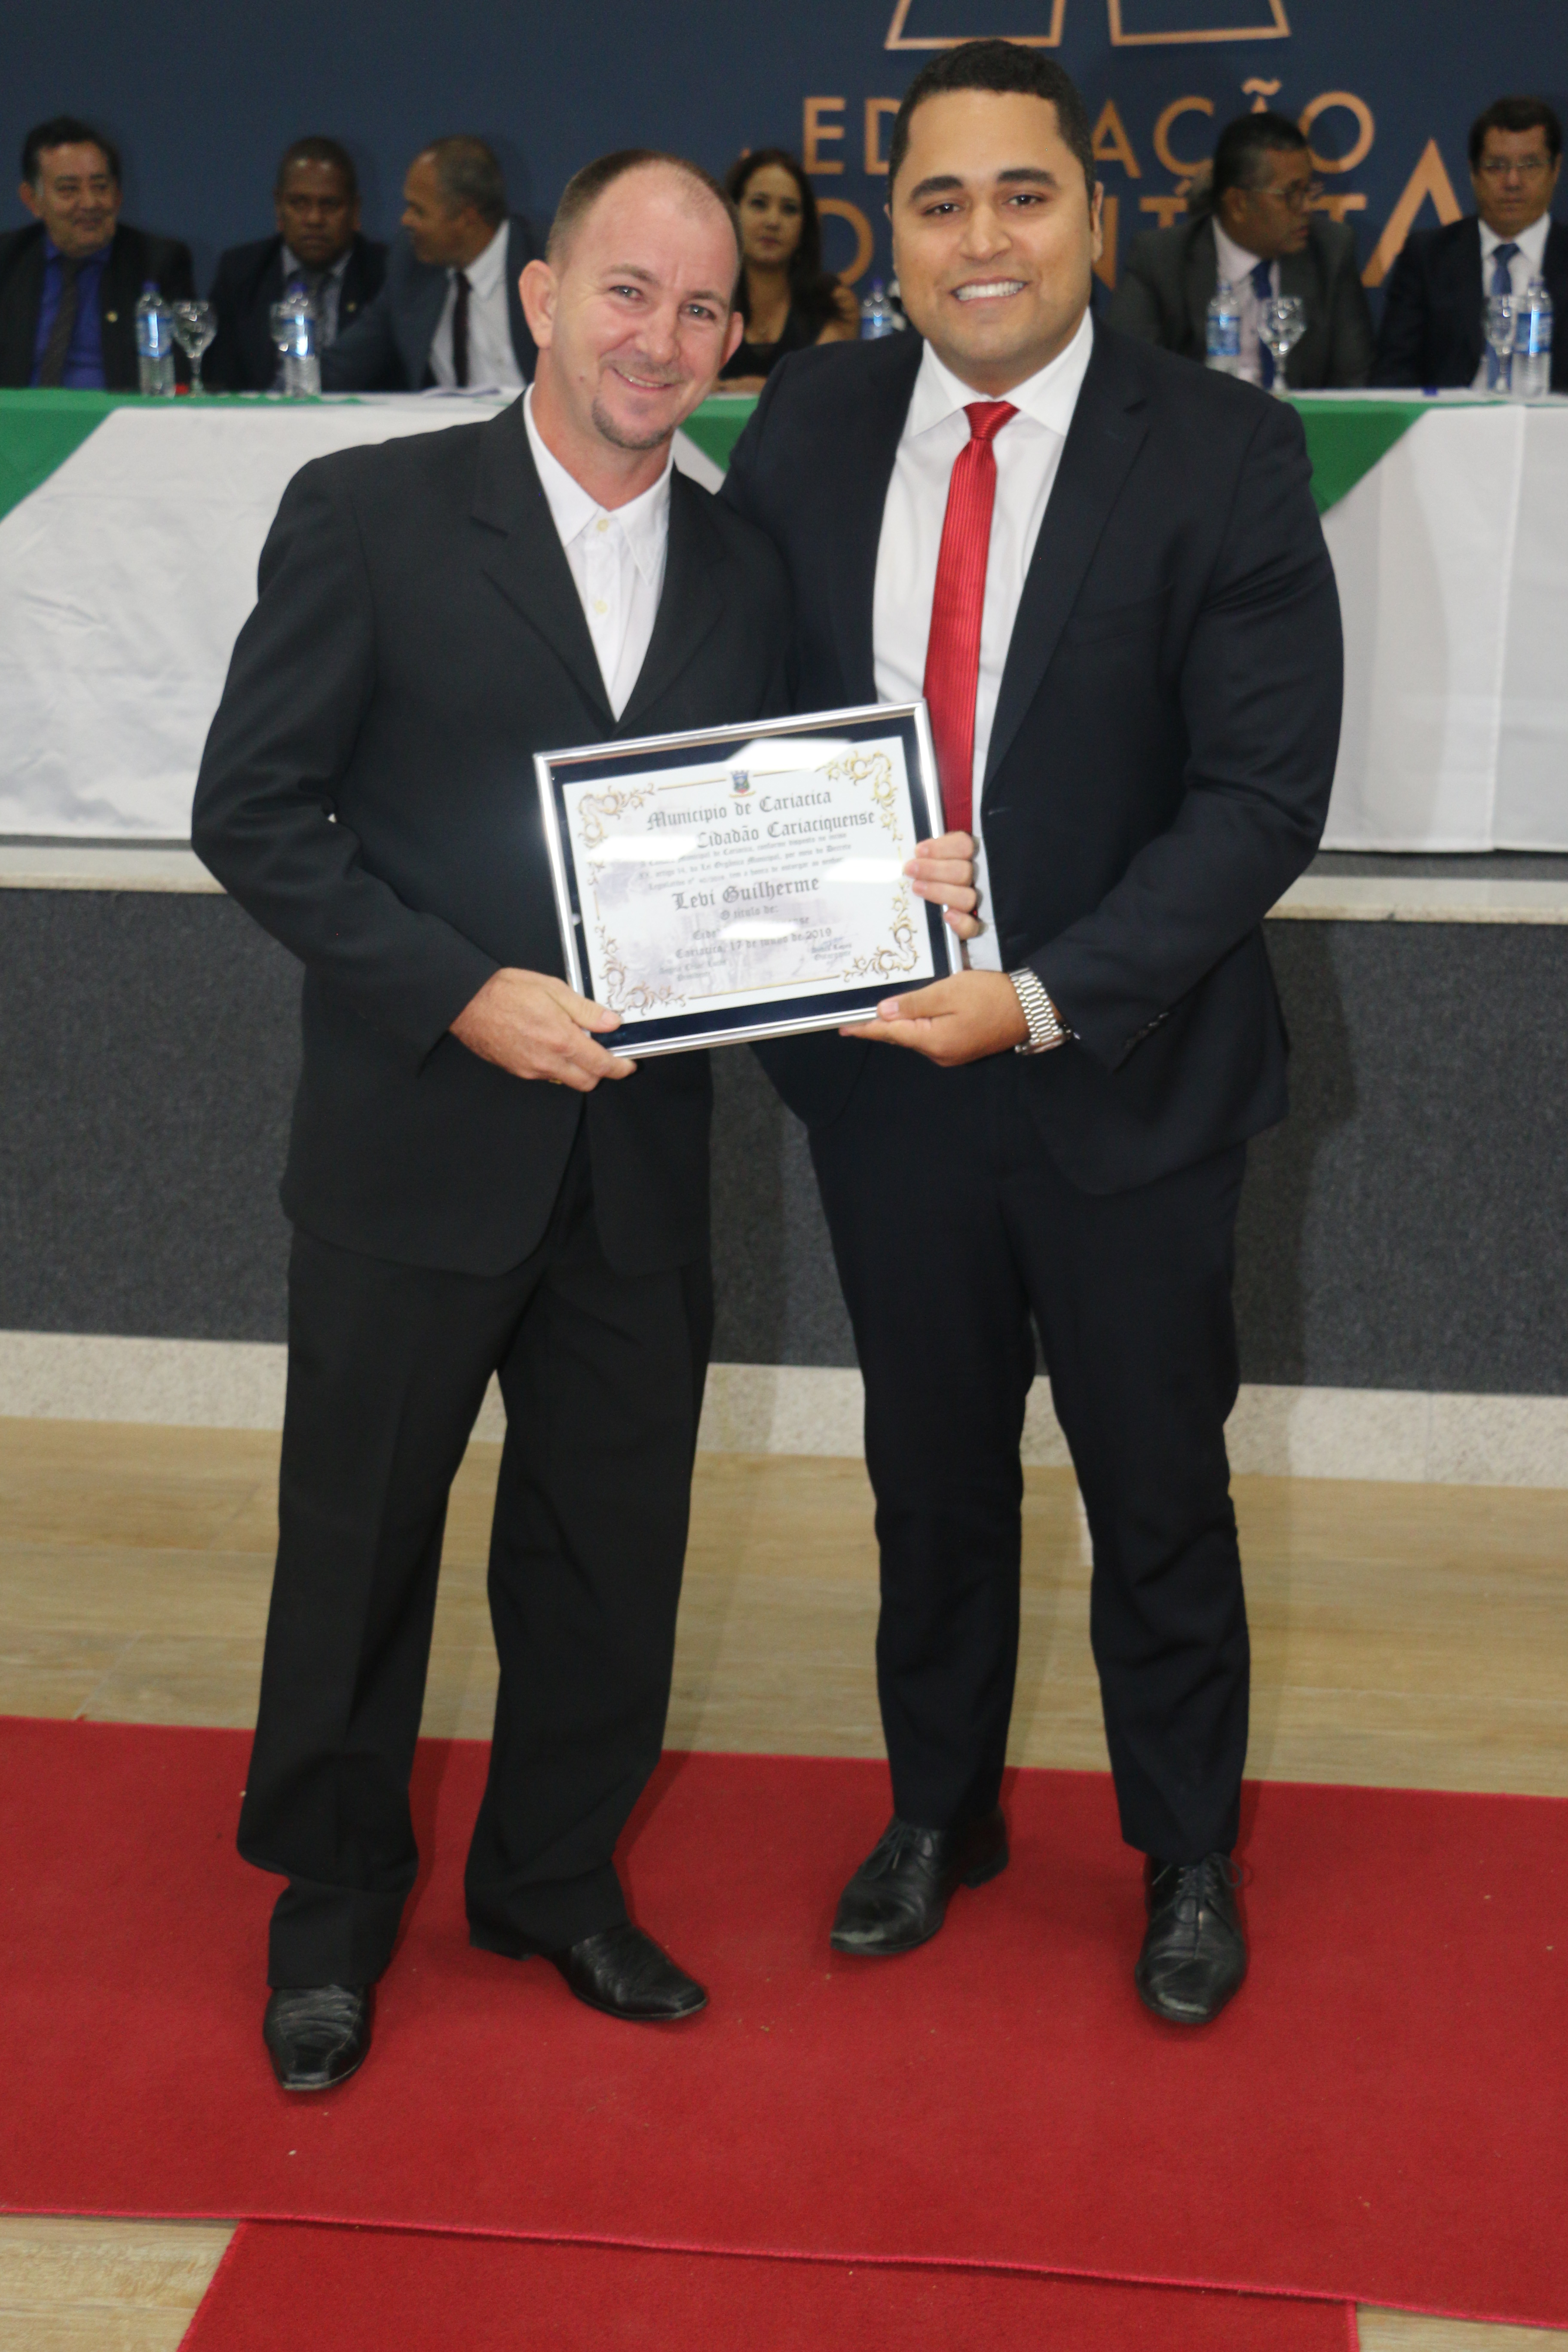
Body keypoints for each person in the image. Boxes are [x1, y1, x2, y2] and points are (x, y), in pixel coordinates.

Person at [724, 39, 1341, 2026]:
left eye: (1021, 193)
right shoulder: (810, 421)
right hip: (884, 1072)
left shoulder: (1225, 449)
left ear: (1094, 212)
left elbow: (1257, 800)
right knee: (927, 1477)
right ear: (888, 230)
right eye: (937, 200)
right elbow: (737, 724)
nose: (979, 237)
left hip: (1124, 1072)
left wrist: (1045, 991)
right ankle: (937, 1812)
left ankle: (1182, 1851)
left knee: (1153, 1485)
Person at [193, 149, 794, 2092]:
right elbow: (251, 810)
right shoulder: (365, 513)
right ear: (539, 297)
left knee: (608, 1554)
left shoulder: (747, 563)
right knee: (357, 1546)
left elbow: (770, 832)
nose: (660, 339)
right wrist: (459, 987)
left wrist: (894, 888)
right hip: (413, 1140)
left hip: (638, 1159)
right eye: (626, 291)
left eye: (699, 309)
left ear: (733, 337)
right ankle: (329, 1905)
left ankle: (550, 1878)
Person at [1107, 110, 1373, 390]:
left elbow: (1354, 383)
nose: (1306, 207)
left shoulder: (1331, 253)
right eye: (1291, 194)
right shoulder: (1161, 259)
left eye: (1308, 190)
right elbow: (1124, 371)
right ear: (1238, 204)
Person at [1372, 97, 1566, 392]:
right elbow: (1393, 376)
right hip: (1449, 419)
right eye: (1496, 166)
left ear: (1556, 170)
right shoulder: (1428, 257)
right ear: (1474, 173)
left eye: (1530, 165)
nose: (1513, 182)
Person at [322, 134, 539, 392]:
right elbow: (346, 363)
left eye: (418, 210)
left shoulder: (549, 263)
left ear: (467, 218)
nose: (405, 220)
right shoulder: (411, 265)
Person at [0, 116, 193, 389]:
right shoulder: (7, 261)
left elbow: (180, 375)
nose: (90, 203)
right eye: (69, 190)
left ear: (118, 196)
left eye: (101, 187)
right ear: (32, 200)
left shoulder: (158, 263)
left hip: (118, 416)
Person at [206, 137, 386, 393]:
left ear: (355, 211)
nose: (314, 219)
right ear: (279, 208)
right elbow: (220, 382)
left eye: (330, 205)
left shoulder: (385, 275)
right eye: (299, 204)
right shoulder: (241, 272)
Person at [718, 148, 858, 392]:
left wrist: (743, 389)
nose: (773, 221)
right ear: (733, 212)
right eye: (759, 204)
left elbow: (823, 391)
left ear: (805, 227)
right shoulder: (704, 301)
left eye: (789, 209)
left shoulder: (833, 305)